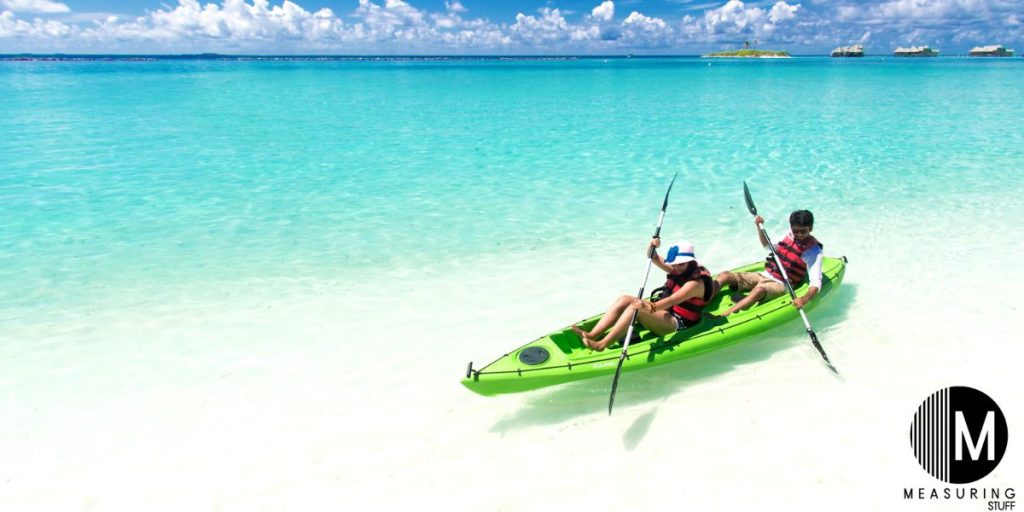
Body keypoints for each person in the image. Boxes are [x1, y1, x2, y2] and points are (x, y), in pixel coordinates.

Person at [573, 238, 716, 351]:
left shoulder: (695, 284)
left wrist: (648, 306)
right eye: (675, 264)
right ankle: (592, 334)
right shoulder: (680, 269)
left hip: (679, 323)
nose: (676, 267)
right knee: (624, 299)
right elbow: (652, 257)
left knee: (636, 309)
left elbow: (671, 300)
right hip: (667, 312)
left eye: (681, 264)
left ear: (690, 262)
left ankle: (602, 345)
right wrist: (652, 246)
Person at [715, 210, 822, 317]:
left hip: (782, 284)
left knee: (758, 291)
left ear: (811, 228)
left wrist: (805, 298)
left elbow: (816, 282)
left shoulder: (813, 251)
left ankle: (722, 317)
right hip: (764, 275)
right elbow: (767, 246)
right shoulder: (787, 236)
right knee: (725, 276)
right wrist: (759, 228)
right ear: (791, 227)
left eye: (803, 231)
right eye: (796, 231)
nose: (799, 235)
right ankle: (703, 301)